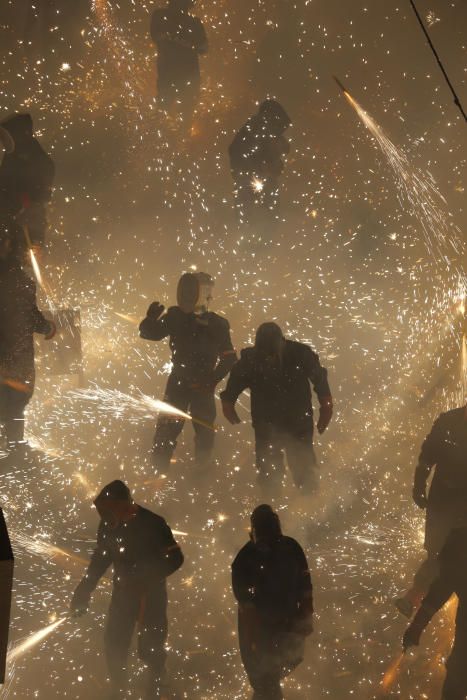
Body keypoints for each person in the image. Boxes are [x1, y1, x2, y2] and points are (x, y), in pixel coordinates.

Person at [70, 480, 184, 700]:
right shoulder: (107, 526)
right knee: (114, 641)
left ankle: (157, 678)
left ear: (123, 507)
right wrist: (84, 590)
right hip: (122, 594)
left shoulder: (153, 524)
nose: (105, 518)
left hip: (150, 596)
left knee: (151, 645)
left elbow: (175, 558)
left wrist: (146, 575)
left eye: (109, 512)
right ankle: (118, 688)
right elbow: (101, 559)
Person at [139, 272, 236, 474]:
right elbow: (150, 334)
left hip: (199, 383)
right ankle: (157, 474)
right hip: (181, 382)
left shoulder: (216, 323)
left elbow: (229, 359)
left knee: (205, 435)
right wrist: (149, 321)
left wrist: (212, 380)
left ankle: (200, 475)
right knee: (167, 431)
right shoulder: (175, 316)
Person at [220, 322, 332, 493]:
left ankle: (310, 504)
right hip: (267, 423)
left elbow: (319, 378)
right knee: (269, 471)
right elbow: (235, 380)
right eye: (265, 354)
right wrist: (228, 402)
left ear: (282, 344)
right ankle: (271, 505)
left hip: (298, 421)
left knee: (303, 466)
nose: (269, 359)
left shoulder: (300, 354)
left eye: (272, 354)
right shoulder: (250, 359)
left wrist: (326, 405)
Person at [232, 504, 313, 700]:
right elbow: (244, 597)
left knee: (269, 674)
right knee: (265, 677)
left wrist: (305, 615)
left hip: (283, 622)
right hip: (264, 625)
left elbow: (304, 584)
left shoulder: (288, 549)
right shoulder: (248, 557)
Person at [396, 405, 467, 617]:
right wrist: (419, 484)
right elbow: (427, 455)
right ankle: (415, 597)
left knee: (453, 556)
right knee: (436, 553)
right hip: (443, 501)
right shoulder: (447, 421)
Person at [0, 229, 55, 451]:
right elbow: (29, 315)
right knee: (15, 402)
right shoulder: (21, 281)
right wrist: (48, 327)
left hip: (8, 356)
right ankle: (14, 448)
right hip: (15, 356)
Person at [403, 525, 467, 700]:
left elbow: (437, 595)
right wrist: (415, 629)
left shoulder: (458, 546)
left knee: (458, 673)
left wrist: (415, 629)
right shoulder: (459, 543)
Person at [0, 113, 55, 259]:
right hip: (9, 218)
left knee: (19, 256)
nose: (3, 142)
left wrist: (27, 205)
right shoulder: (12, 157)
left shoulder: (38, 161)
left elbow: (39, 199)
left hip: (24, 222)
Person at [229, 100, 291, 226]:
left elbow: (279, 150)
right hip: (253, 183)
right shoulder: (258, 127)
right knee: (257, 224)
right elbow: (238, 152)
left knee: (258, 223)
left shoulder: (258, 127)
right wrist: (258, 168)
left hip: (256, 182)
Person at [150, 0, 208, 121]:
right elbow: (156, 36)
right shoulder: (161, 16)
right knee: (165, 108)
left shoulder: (194, 22)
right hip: (170, 73)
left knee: (182, 111)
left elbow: (203, 48)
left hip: (185, 74)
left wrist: (179, 40)